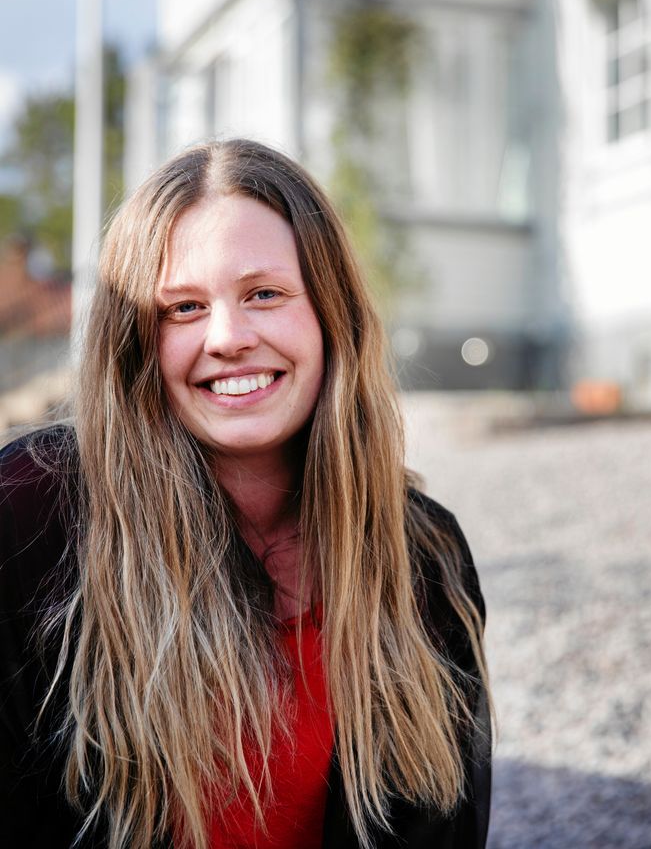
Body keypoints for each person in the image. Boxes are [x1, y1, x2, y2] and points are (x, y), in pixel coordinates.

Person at [0, 139, 491, 849]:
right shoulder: (26, 517)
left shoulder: (424, 556)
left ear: (331, 312)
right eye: (183, 307)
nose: (227, 337)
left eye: (264, 294)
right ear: (135, 341)